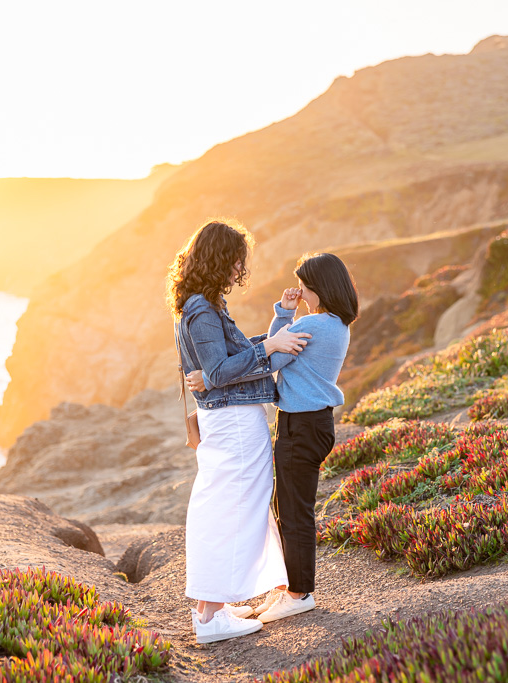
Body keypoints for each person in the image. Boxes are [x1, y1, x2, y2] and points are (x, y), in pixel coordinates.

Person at [187, 252, 358, 623]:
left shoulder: (316, 326)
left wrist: (211, 376)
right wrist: (283, 316)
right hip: (303, 423)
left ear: (319, 287)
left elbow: (272, 358)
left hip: (303, 425)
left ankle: (299, 593)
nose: (300, 289)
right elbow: (275, 345)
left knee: (295, 511)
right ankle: (289, 585)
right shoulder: (330, 324)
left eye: (303, 284)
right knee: (286, 506)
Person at [167, 219, 312, 644]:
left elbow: (221, 362)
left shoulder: (195, 305)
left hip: (226, 419)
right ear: (220, 259)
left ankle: (213, 605)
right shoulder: (202, 310)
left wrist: (274, 329)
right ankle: (210, 617)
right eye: (235, 261)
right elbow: (217, 371)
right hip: (233, 421)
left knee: (226, 504)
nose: (238, 270)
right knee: (234, 507)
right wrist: (270, 346)